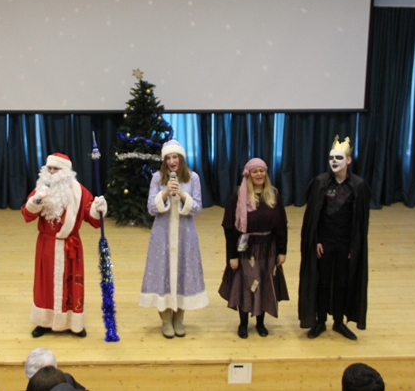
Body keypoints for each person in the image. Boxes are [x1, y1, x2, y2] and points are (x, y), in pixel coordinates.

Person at [21, 153, 107, 338]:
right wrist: (37, 201)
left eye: (56, 169)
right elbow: (27, 214)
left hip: (70, 245)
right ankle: (44, 321)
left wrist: (97, 208)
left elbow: (91, 216)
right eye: (49, 168)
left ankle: (74, 323)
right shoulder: (40, 189)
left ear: (66, 171)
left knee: (72, 282)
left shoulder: (79, 191)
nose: (52, 172)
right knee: (45, 283)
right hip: (46, 245)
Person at [298, 136, 371, 340]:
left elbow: (362, 221)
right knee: (321, 281)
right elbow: (312, 217)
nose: (334, 161)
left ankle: (339, 322)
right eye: (331, 158)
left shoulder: (358, 186)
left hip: (346, 244)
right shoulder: (320, 182)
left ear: (348, 160)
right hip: (324, 243)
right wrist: (316, 240)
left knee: (341, 282)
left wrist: (354, 247)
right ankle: (320, 321)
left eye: (339, 158)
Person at [139, 139, 208, 338]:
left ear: (181, 158)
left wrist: (183, 195)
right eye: (168, 158)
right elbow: (151, 208)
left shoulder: (193, 178)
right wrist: (166, 192)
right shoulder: (157, 178)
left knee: (183, 273)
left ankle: (179, 318)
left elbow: (197, 208)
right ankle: (165, 319)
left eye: (175, 157)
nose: (171, 161)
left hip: (186, 234)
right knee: (162, 273)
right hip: (162, 235)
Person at [218, 158, 289, 339]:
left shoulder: (273, 194)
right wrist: (232, 256)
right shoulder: (238, 196)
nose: (259, 174)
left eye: (262, 171)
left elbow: (282, 225)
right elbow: (229, 228)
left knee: (264, 284)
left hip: (267, 249)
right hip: (245, 249)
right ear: (248, 174)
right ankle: (243, 323)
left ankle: (260, 322)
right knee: (246, 285)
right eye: (255, 171)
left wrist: (282, 251)